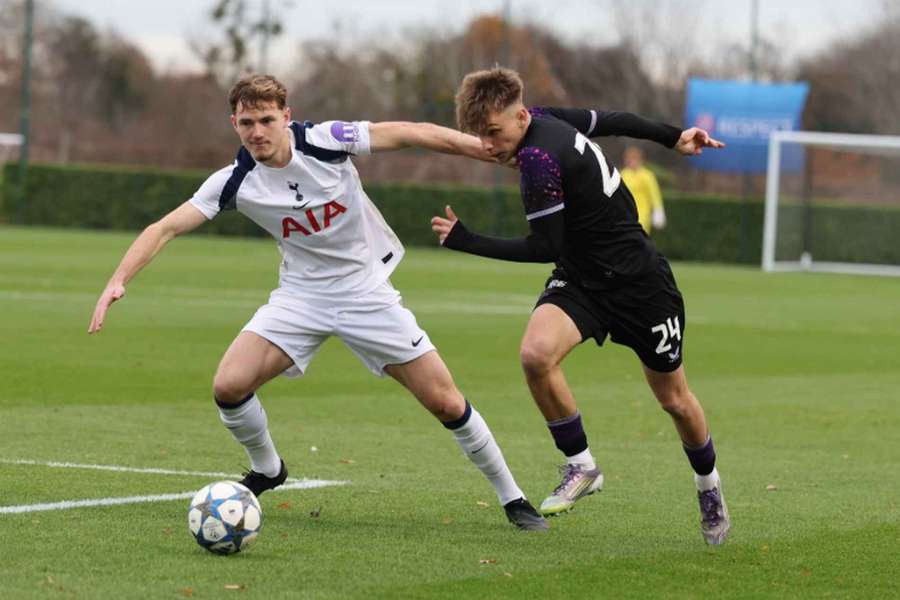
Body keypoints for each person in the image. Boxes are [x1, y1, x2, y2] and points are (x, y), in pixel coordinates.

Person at [88, 74, 547, 531]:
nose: (257, 132)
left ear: (286, 116)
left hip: (365, 291)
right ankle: (268, 468)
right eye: (246, 122)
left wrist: (489, 151)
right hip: (300, 298)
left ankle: (513, 497)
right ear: (234, 124)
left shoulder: (327, 140)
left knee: (445, 402)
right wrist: (118, 279)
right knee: (229, 386)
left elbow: (411, 133)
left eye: (267, 119)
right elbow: (164, 227)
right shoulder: (234, 180)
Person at [430, 67, 730, 544]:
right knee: (535, 355)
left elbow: (542, 247)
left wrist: (468, 240)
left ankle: (708, 486)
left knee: (674, 400)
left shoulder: (537, 161)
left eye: (493, 132)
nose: (487, 145)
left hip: (641, 285)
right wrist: (674, 137)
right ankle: (581, 466)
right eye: (478, 135)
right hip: (583, 280)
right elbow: (613, 119)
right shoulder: (546, 119)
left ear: (520, 116)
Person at [621, 146, 666, 235]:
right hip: (625, 215)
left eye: (634, 159)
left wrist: (658, 210)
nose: (631, 161)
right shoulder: (623, 174)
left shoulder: (647, 175)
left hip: (643, 214)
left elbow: (654, 194)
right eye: (629, 159)